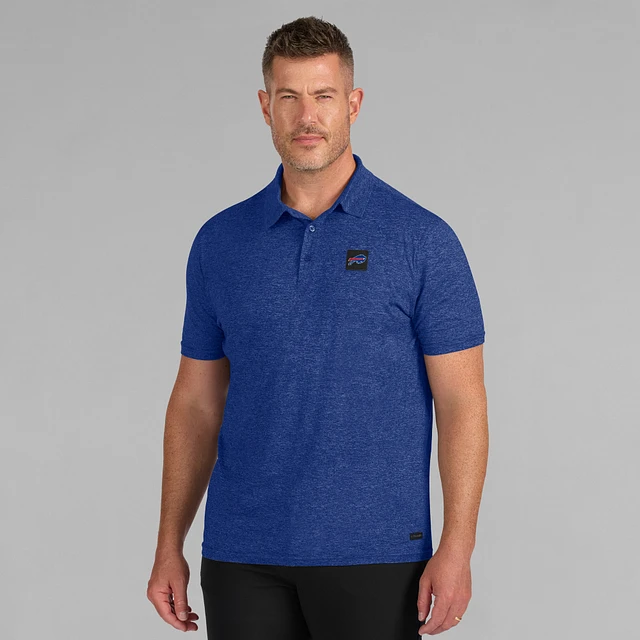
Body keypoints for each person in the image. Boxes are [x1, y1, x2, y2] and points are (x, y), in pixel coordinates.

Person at [147, 15, 488, 640]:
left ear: (353, 103)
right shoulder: (220, 243)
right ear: (265, 107)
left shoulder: (422, 240)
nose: (307, 116)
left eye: (324, 95)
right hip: (242, 554)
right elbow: (195, 401)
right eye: (289, 97)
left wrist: (458, 546)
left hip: (377, 552)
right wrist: (170, 542)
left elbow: (462, 402)